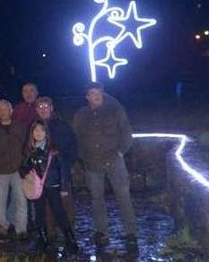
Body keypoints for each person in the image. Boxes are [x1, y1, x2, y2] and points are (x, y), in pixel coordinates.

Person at [72, 82, 137, 252]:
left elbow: (126, 131)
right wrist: (82, 156)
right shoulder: (81, 114)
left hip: (114, 161)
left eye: (98, 92)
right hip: (92, 163)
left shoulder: (115, 109)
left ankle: (131, 234)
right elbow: (75, 137)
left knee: (123, 196)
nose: (96, 95)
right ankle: (102, 232)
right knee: (97, 199)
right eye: (92, 93)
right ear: (87, 97)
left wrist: (121, 151)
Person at [20, 120, 78, 255]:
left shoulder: (53, 149)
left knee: (59, 212)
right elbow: (22, 167)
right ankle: (43, 239)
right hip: (37, 186)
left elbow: (62, 168)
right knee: (39, 213)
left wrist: (63, 187)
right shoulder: (29, 150)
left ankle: (70, 239)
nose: (38, 133)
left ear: (46, 132)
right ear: (31, 133)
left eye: (41, 130)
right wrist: (27, 172)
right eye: (35, 130)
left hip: (52, 184)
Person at [35, 96, 78, 236]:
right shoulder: (34, 127)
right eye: (40, 107)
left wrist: (63, 161)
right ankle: (50, 233)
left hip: (61, 170)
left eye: (46, 106)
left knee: (65, 203)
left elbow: (72, 147)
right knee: (47, 205)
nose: (43, 110)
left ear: (51, 108)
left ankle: (68, 233)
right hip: (43, 174)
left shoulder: (61, 125)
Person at [0, 99, 27, 240]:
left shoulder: (20, 127)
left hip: (18, 169)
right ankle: (3, 225)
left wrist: (26, 167)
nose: (2, 112)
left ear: (11, 110)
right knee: (0, 202)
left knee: (21, 200)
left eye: (5, 109)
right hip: (0, 170)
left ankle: (21, 229)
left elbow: (26, 147)